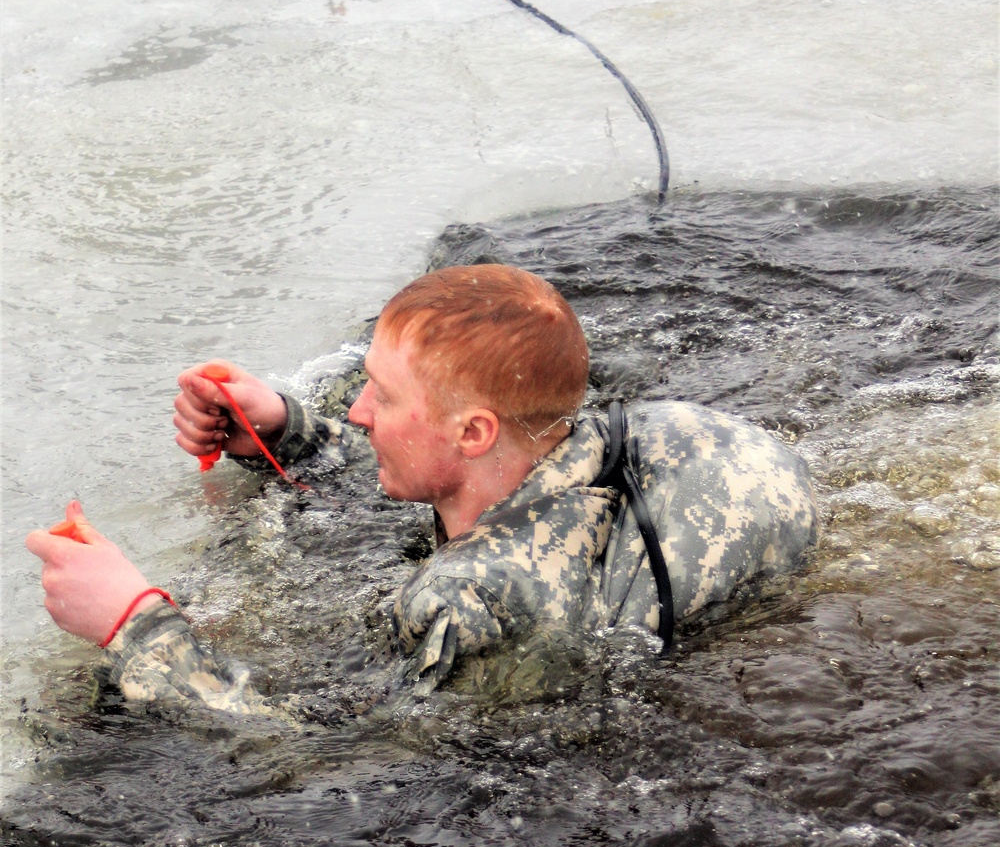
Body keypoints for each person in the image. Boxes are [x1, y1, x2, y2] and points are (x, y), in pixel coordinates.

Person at [26, 265, 818, 712]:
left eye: (381, 395)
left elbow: (318, 755)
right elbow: (456, 476)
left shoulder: (466, 600)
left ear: (473, 431)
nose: (360, 411)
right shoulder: (647, 429)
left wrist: (134, 624)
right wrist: (286, 431)